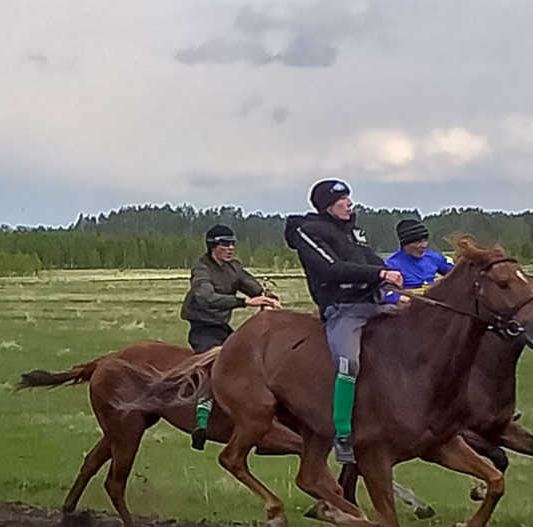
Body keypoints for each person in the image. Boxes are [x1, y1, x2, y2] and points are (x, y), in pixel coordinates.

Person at [283, 179, 404, 464]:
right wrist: (380, 276)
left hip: (373, 304)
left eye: (349, 198)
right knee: (349, 363)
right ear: (327, 205)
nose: (349, 203)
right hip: (342, 310)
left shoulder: (353, 232)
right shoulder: (309, 232)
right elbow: (331, 269)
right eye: (342, 200)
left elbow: (372, 261)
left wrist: (391, 280)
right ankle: (343, 433)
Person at [180, 223, 280, 448]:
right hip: (202, 328)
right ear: (213, 246)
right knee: (211, 366)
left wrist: (268, 298)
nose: (230, 247)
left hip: (222, 328)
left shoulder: (234, 268)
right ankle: (201, 422)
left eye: (233, 243)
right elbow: (206, 297)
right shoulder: (201, 269)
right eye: (225, 243)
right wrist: (244, 302)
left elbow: (253, 288)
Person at [385, 217, 453, 288]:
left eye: (425, 240)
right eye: (418, 242)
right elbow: (386, 293)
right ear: (405, 244)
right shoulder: (391, 265)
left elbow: (456, 273)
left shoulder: (433, 257)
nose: (424, 245)